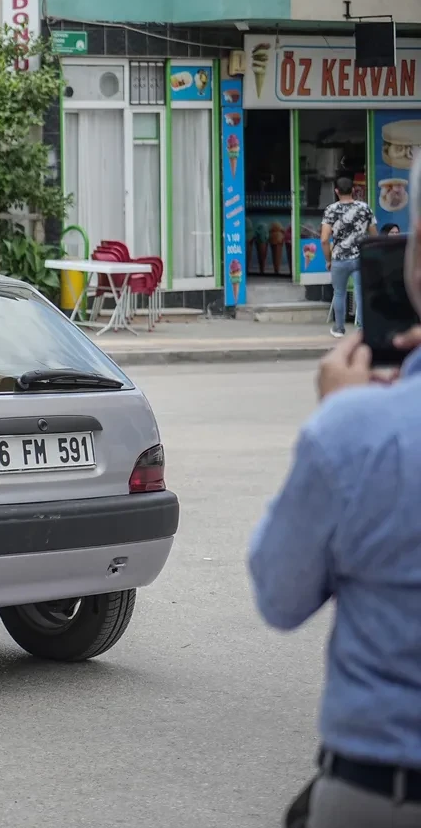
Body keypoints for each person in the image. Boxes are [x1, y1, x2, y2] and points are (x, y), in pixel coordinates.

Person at [249, 157, 421, 827]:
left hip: (383, 789)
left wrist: (340, 414)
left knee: (341, 303)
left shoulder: (359, 429)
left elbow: (280, 596)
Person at [320, 177, 378, 338]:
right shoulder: (364, 208)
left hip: (339, 257)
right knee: (361, 293)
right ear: (353, 190)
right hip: (361, 257)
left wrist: (328, 260)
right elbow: (374, 235)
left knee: (339, 293)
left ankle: (339, 328)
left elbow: (324, 239)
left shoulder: (331, 210)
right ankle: (363, 329)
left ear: (336, 191)